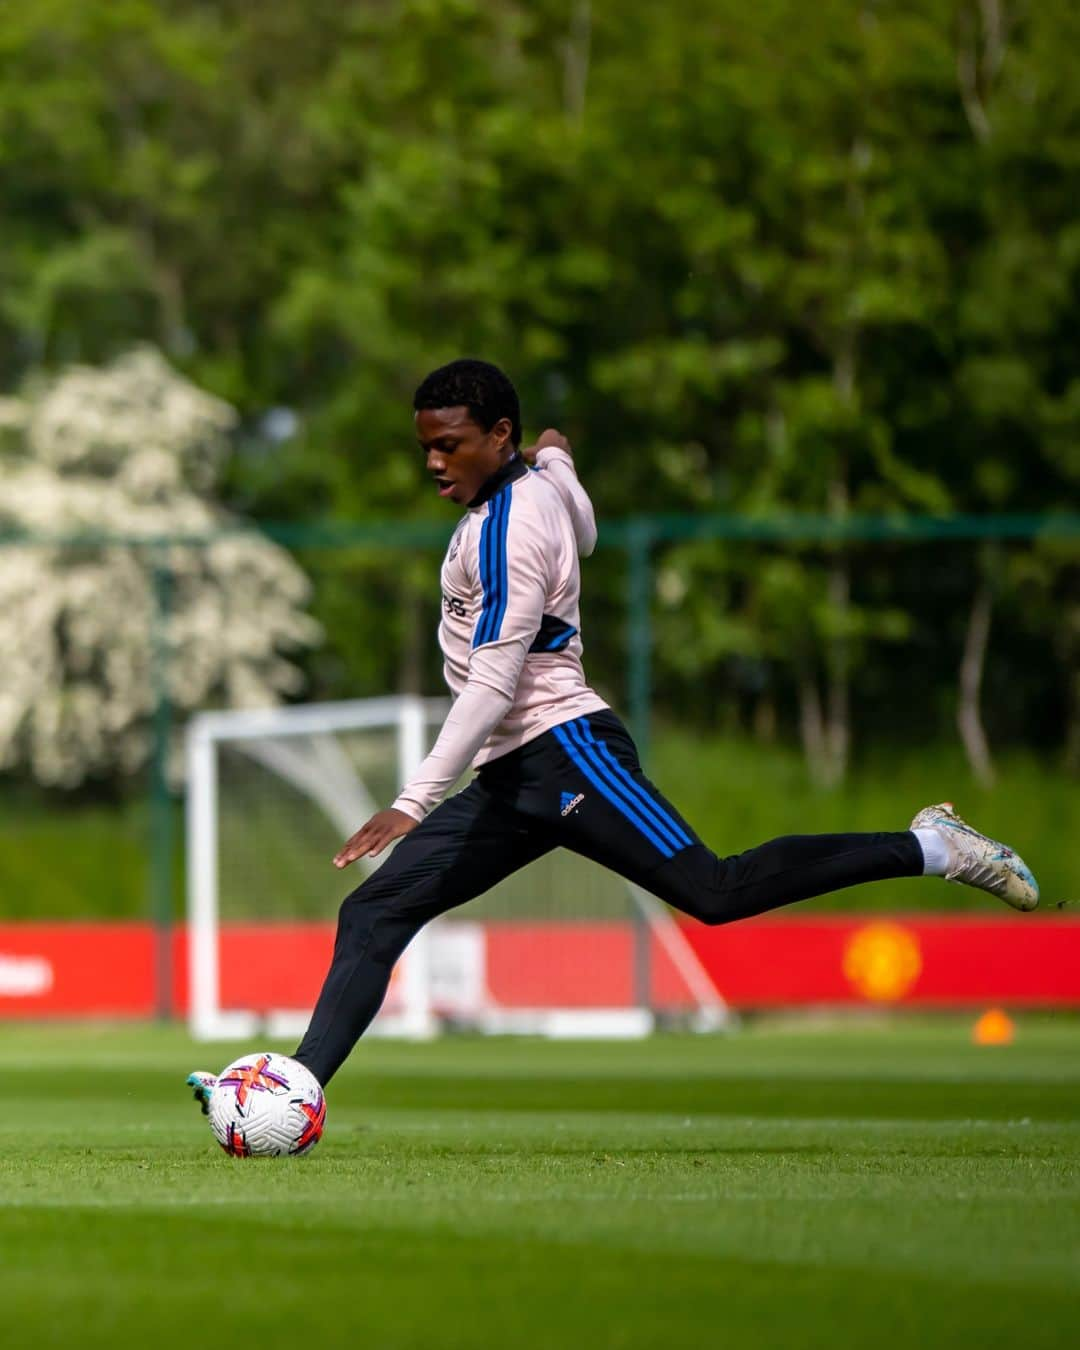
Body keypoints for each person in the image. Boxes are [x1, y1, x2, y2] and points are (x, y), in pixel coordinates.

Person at [188, 357, 1039, 1104]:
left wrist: (413, 800)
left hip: (569, 752)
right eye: (425, 446)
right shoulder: (538, 486)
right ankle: (296, 1091)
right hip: (515, 777)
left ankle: (931, 846)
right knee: (375, 910)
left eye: (450, 444)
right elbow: (586, 531)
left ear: (499, 434)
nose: (434, 462)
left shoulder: (507, 530)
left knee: (716, 892)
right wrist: (556, 458)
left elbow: (492, 682)